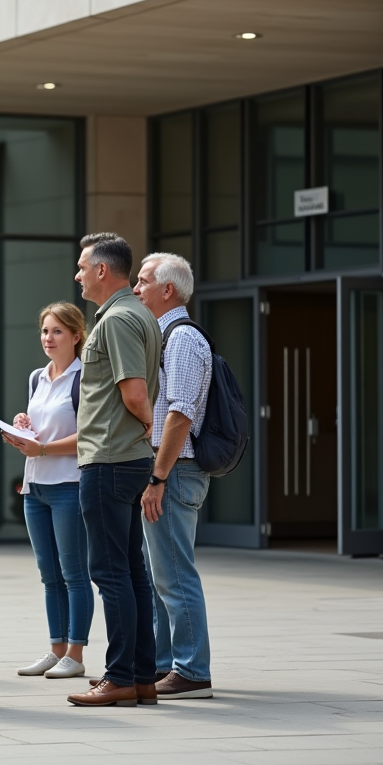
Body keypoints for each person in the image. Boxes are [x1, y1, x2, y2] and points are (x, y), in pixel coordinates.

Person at [65, 233, 162, 709]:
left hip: (109, 459)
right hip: (126, 459)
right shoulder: (138, 313)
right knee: (131, 571)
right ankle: (142, 676)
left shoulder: (119, 319)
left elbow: (135, 391)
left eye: (83, 267)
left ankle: (120, 676)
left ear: (103, 271)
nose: (78, 275)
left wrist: (146, 422)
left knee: (110, 573)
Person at [133, 253, 215, 699]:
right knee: (162, 573)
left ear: (169, 290)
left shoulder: (181, 339)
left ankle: (192, 670)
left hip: (175, 471)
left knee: (175, 575)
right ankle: (167, 665)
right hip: (171, 470)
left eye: (144, 282)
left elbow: (180, 414)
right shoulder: (166, 336)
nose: (137, 288)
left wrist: (158, 476)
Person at [2, 302, 92, 680]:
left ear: (75, 336)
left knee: (73, 572)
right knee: (48, 573)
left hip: (68, 485)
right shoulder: (37, 377)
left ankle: (75, 653)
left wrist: (42, 448)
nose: (48, 338)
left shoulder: (84, 377)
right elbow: (41, 427)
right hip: (35, 486)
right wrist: (23, 425)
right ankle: (56, 650)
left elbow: (88, 435)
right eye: (44, 331)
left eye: (57, 331)